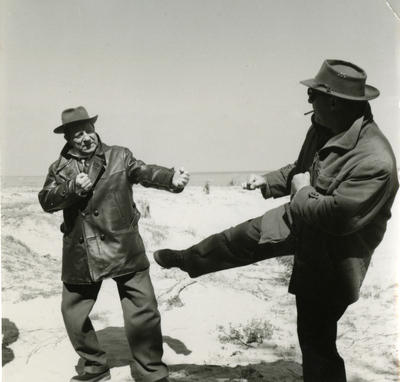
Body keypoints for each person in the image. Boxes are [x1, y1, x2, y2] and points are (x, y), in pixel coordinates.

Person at [153, 59, 399, 381]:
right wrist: (268, 181)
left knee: (315, 339)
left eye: (313, 93)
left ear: (335, 101)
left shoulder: (376, 161)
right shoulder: (324, 126)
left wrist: (301, 192)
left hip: (335, 257)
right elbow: (303, 167)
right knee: (238, 238)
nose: (308, 101)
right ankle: (189, 260)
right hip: (301, 219)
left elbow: (336, 218)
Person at [38, 106, 190, 382]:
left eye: (89, 130)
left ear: (95, 129)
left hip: (123, 246)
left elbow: (145, 172)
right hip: (82, 252)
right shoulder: (59, 168)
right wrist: (71, 188)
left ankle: (152, 373)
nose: (86, 138)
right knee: (72, 314)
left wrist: (171, 179)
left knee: (143, 311)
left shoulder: (119, 155)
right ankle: (95, 365)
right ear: (68, 139)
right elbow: (46, 200)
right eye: (78, 134)